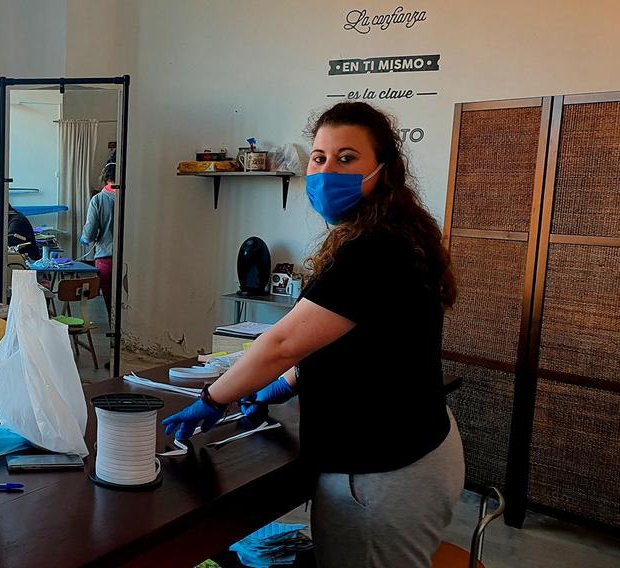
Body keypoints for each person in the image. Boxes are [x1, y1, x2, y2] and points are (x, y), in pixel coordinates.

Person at [162, 102, 464, 567]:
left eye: (347, 158)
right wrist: (284, 385)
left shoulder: (375, 249)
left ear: (383, 169)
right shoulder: (393, 236)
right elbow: (359, 344)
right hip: (411, 453)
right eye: (319, 158)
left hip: (383, 471)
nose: (326, 171)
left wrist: (214, 396)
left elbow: (282, 343)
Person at [80, 159, 116, 316]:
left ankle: (114, 338)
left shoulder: (99, 200)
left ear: (104, 178)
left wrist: (85, 238)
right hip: (132, 260)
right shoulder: (134, 199)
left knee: (111, 305)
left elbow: (89, 233)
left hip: (106, 259)